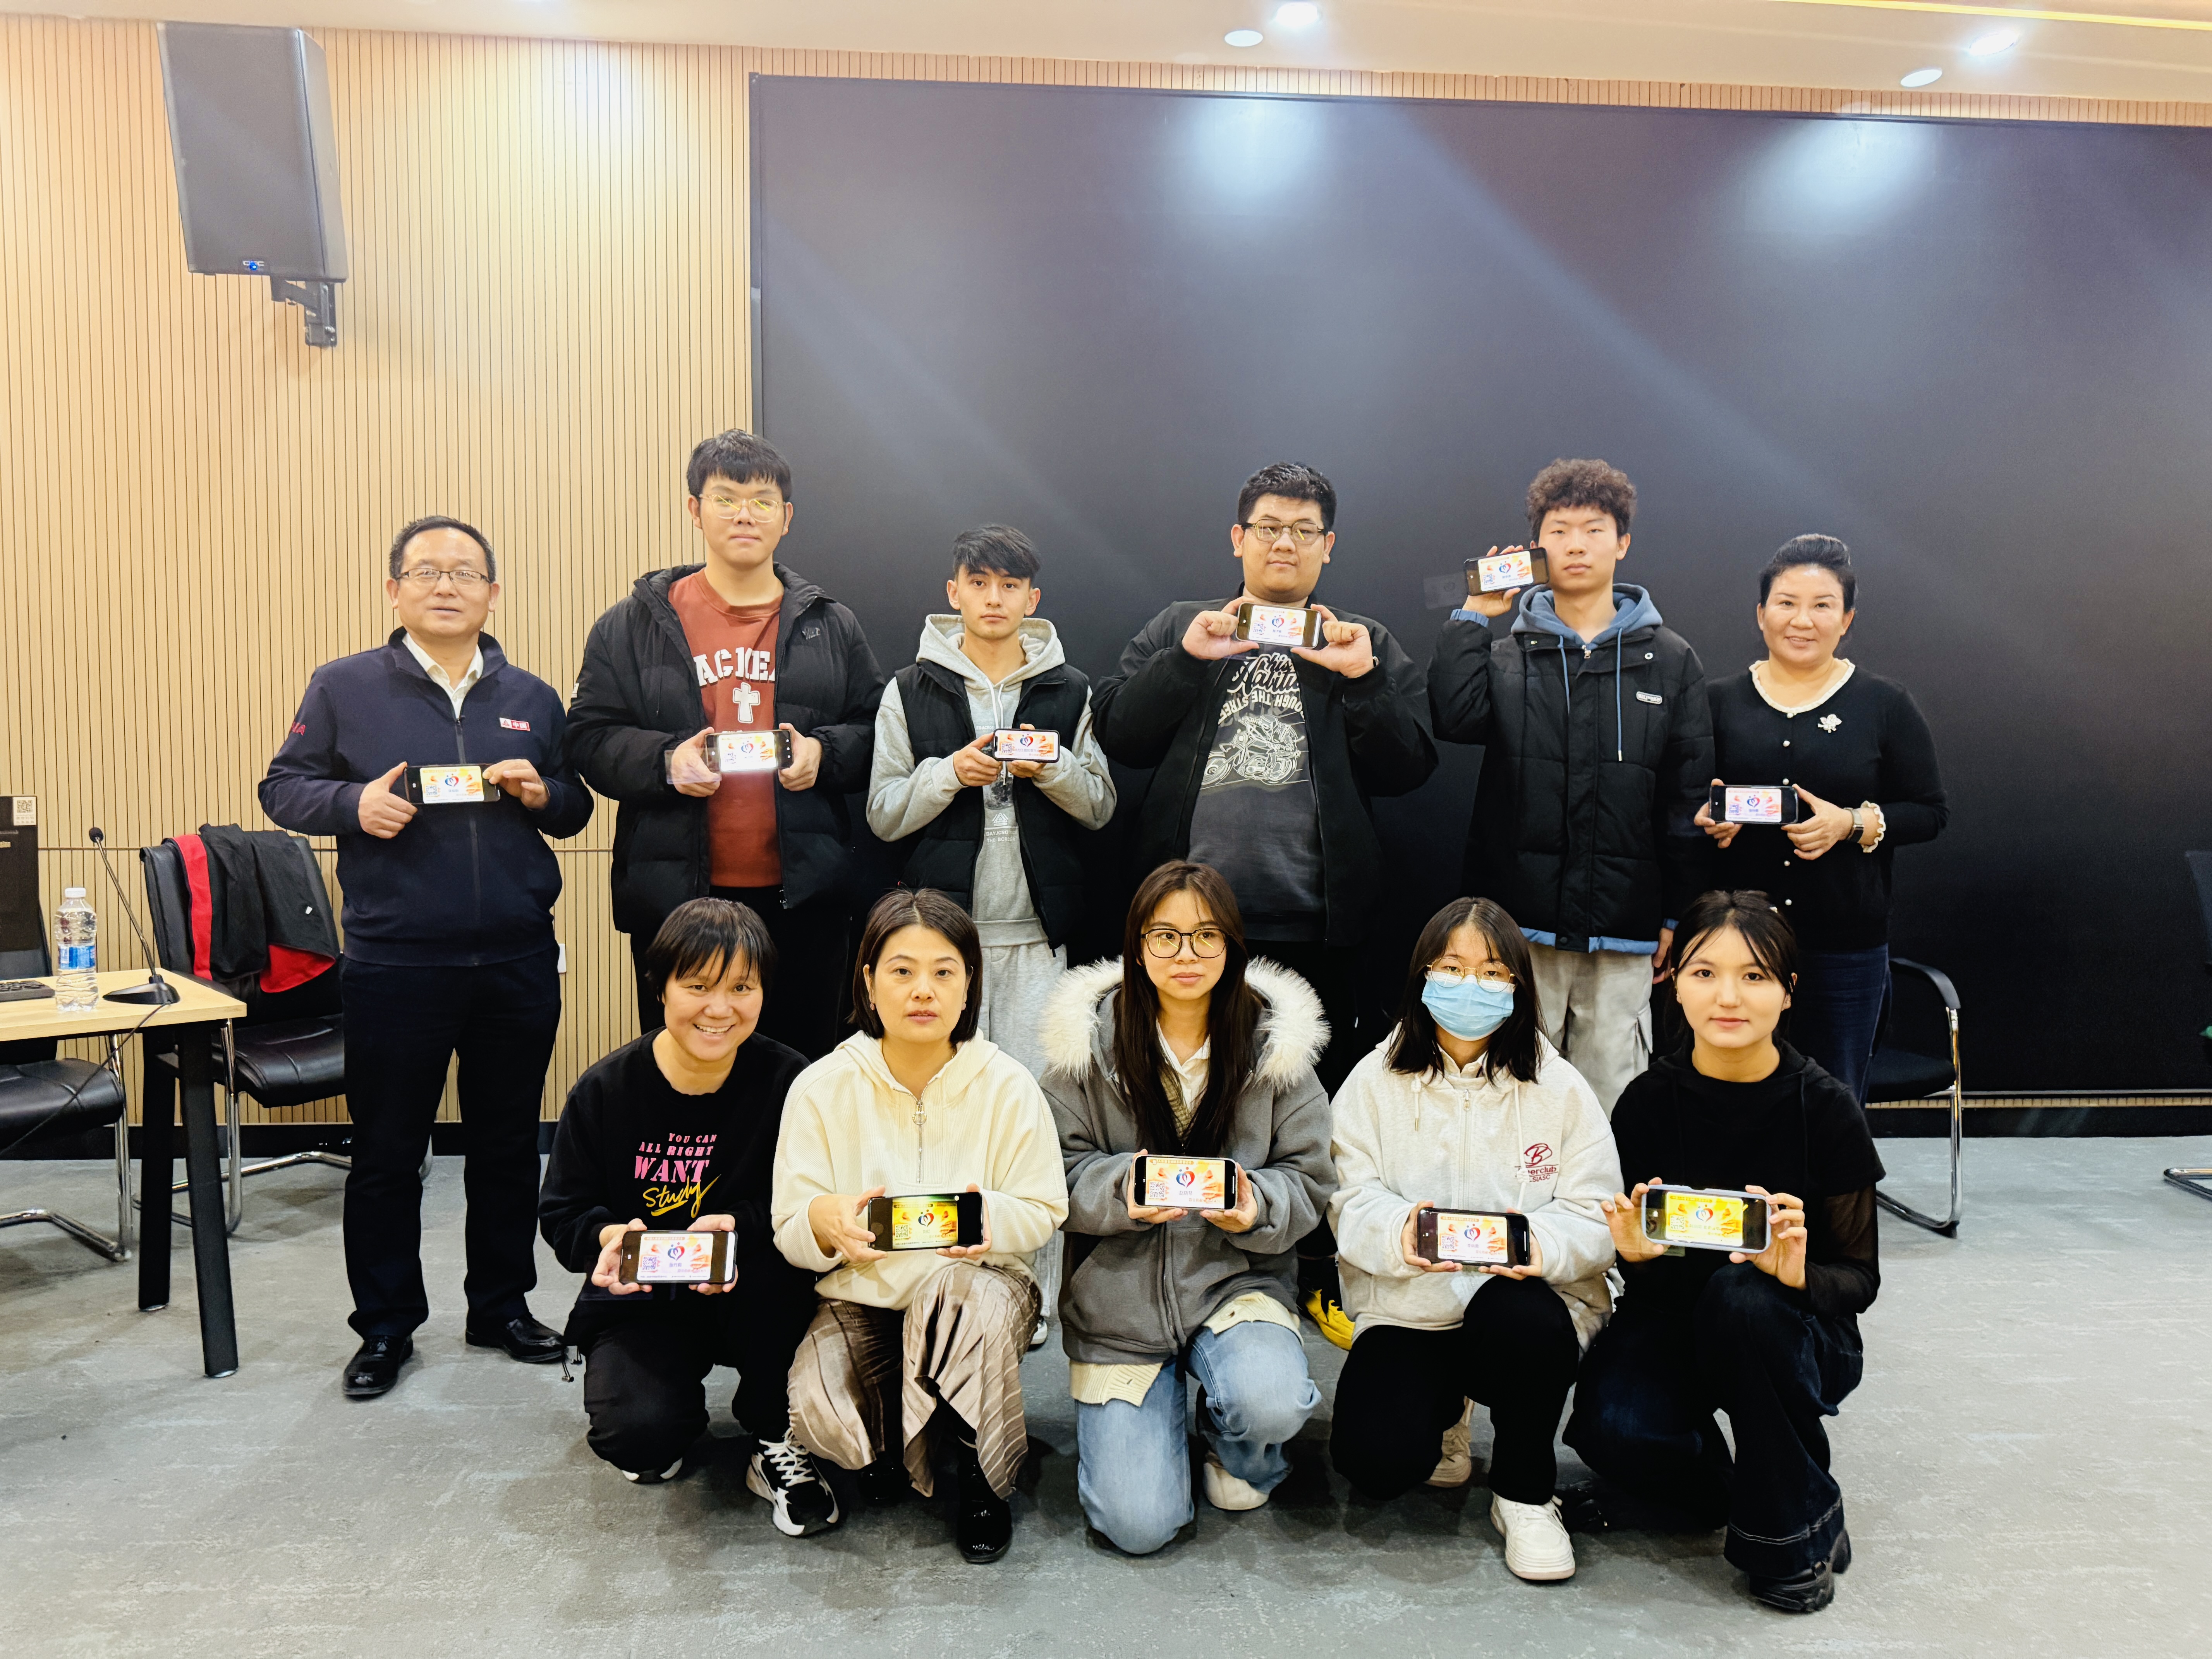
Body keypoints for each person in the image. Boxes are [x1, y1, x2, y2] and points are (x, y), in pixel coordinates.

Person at [1091, 460, 1434, 1345]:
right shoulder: (1186, 625)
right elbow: (1120, 732)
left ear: (1329, 547)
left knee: (1313, 1108)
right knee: (1172, 1090)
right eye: (1270, 527)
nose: (1286, 543)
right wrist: (1185, 660)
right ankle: (1167, 1273)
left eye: (1303, 530)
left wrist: (1362, 680)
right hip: (1187, 930)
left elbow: (1411, 767)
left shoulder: (1362, 639)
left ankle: (1314, 1271)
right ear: (1238, 538)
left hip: (1317, 919)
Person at [260, 515, 594, 1400]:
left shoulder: (531, 696)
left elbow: (575, 806)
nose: (446, 586)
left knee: (507, 1147)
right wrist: (351, 805)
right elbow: (283, 785)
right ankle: (385, 1326)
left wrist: (545, 793)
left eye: (466, 573)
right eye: (426, 572)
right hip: (396, 962)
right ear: (393, 589)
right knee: (387, 1152)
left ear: (494, 593)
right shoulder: (345, 686)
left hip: (517, 959)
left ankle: (502, 1306)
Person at [1564, 890, 1882, 1616]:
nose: (1728, 997)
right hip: (1677, 1320)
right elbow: (1645, 1277)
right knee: (1613, 1428)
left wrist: (1799, 1276)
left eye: (1754, 976)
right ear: (1674, 983)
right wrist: (1635, 1258)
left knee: (1744, 1299)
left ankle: (1791, 1537)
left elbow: (1859, 1279)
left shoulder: (1827, 1107)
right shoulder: (1647, 1102)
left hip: (1797, 1329)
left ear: (1788, 991)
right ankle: (1753, 1493)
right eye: (1705, 973)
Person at [1038, 861, 1334, 1556]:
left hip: (1238, 1283)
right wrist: (1125, 1190)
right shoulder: (1083, 1050)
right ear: (1138, 947)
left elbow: (1311, 1181)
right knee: (1138, 1527)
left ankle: (1236, 1449)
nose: (1186, 954)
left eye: (1206, 935)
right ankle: (1161, 1423)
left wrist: (1255, 1203)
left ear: (1231, 945)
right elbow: (1055, 1175)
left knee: (1270, 1400)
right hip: (1119, 1310)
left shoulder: (1276, 1050)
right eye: (1165, 936)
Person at [867, 523, 1116, 1348]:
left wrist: (1054, 768)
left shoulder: (1070, 688)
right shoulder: (910, 688)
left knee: (1039, 1117)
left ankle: (1030, 1295)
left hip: (1042, 939)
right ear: (955, 593)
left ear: (1032, 599)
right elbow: (884, 813)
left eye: (1011, 586)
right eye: (979, 583)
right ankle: (938, 1277)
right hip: (945, 948)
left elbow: (1101, 806)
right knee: (945, 1109)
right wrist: (952, 774)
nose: (995, 599)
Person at [566, 428, 886, 1058]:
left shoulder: (832, 624)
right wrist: (666, 763)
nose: (745, 515)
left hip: (805, 899)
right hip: (677, 896)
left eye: (763, 501)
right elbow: (588, 737)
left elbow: (879, 730)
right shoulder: (631, 625)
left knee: (801, 1071)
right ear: (695, 509)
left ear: (786, 517)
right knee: (688, 1065)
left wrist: (823, 755)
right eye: (726, 499)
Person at [1326, 896, 1620, 1582]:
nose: (1471, 985)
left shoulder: (1559, 1087)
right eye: (1452, 967)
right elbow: (1345, 1199)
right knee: (1375, 1463)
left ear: (1519, 985)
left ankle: (1525, 1494)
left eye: (1492, 972)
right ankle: (1445, 1412)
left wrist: (1532, 1247)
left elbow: (1596, 1213)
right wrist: (1401, 1232)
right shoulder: (1373, 1081)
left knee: (1521, 1319)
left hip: (1524, 1309)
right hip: (1411, 1307)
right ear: (1422, 976)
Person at [771, 889, 1069, 1564]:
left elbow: (1046, 1209)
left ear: (969, 985)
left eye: (944, 971)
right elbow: (790, 1225)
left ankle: (983, 1475)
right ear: (869, 983)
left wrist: (987, 1218)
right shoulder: (821, 1086)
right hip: (864, 1299)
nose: (923, 990)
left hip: (980, 1294)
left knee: (960, 1298)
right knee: (821, 1413)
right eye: (902, 971)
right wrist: (823, 1221)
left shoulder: (1008, 1084)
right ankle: (901, 1435)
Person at [538, 899, 840, 1535]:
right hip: (644, 1299)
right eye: (698, 987)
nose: (720, 1009)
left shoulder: (794, 1082)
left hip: (758, 1292)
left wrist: (741, 1225)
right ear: (661, 988)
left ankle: (774, 1436)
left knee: (785, 1281)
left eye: (741, 988)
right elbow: (563, 1210)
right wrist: (608, 1236)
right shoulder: (606, 1089)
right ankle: (668, 1408)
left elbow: (813, 1196)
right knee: (640, 1438)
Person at [1428, 456, 1713, 1117]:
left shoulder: (1671, 659)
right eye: (1559, 531)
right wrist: (1473, 615)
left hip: (1627, 926)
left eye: (1594, 530)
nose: (1576, 546)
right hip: (1516, 926)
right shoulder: (1508, 655)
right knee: (1512, 1094)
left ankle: (1605, 1193)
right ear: (1536, 547)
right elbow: (1453, 718)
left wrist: (1679, 915)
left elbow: (1687, 799)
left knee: (1615, 1099)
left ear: (1623, 543)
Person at [1697, 536, 1948, 1104]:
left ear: (1847, 619)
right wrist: (1708, 818)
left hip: (1845, 947)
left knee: (1835, 1099)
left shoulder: (1884, 704)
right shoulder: (1717, 702)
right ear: (1761, 614)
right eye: (1786, 603)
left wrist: (1850, 823)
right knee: (1733, 1098)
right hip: (1736, 946)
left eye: (1822, 605)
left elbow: (1930, 812)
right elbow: (1684, 803)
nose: (1802, 620)